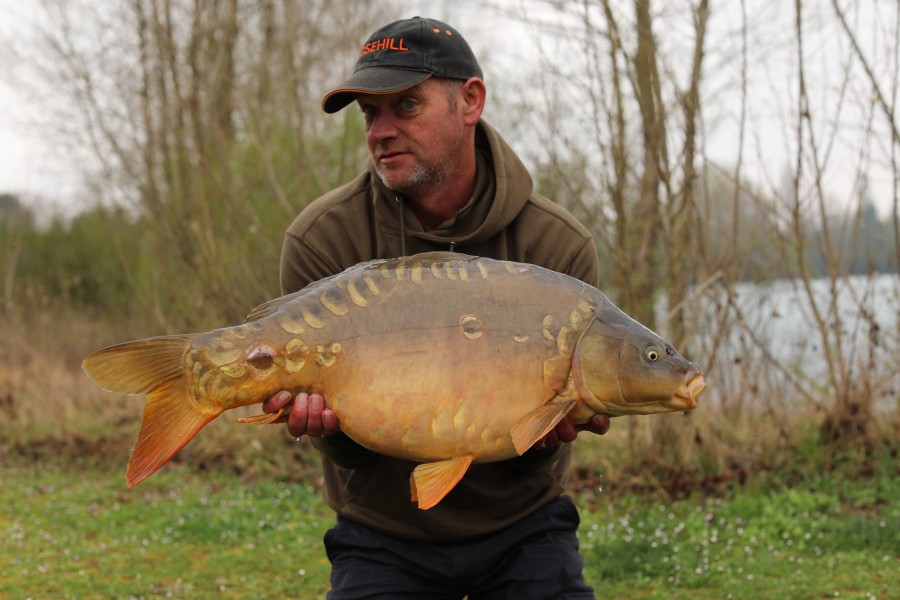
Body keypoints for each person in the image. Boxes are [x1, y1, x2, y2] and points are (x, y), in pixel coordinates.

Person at [261, 16, 611, 599]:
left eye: (406, 105)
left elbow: (545, 443)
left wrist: (547, 427)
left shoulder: (556, 247)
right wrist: (322, 427)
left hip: (524, 523)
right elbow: (343, 450)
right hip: (382, 529)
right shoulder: (322, 239)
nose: (381, 131)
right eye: (370, 113)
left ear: (469, 100)